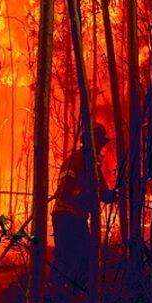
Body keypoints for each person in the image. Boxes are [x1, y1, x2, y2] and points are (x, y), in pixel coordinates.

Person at [50, 122, 115, 291]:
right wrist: (86, 196)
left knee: (82, 257)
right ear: (88, 142)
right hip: (66, 215)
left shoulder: (93, 166)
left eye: (101, 143)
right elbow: (65, 189)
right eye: (98, 142)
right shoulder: (77, 160)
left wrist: (113, 195)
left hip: (77, 217)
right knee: (69, 257)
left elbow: (102, 192)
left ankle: (70, 295)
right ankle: (57, 295)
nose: (100, 146)